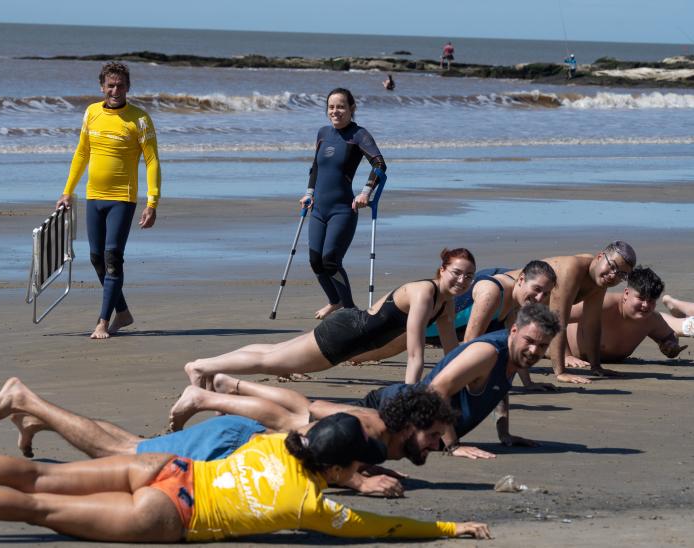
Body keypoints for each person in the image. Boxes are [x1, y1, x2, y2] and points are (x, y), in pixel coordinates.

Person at [0, 414, 492, 541]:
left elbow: (287, 414)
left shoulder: (276, 443)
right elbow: (377, 529)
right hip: (172, 516)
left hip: (170, 468)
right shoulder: (313, 507)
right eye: (355, 464)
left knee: (37, 478)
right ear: (332, 470)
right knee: (36, 514)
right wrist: (445, 526)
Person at [0, 377, 457, 498]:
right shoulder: (364, 430)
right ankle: (27, 400)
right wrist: (357, 483)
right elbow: (308, 440)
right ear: (411, 424)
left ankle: (38, 420)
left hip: (235, 440)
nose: (438, 446)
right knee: (119, 453)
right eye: (434, 436)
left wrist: (369, 471)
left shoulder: (377, 433)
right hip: (229, 446)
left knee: (136, 444)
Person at [185, 248, 476, 387]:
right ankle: (201, 367)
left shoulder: (445, 305)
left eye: (469, 276)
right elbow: (415, 354)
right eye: (457, 272)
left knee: (273, 353)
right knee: (271, 361)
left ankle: (211, 368)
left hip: (350, 331)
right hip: (345, 337)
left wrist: (470, 377)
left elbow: (452, 353)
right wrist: (410, 395)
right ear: (442, 270)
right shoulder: (424, 294)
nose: (462, 280)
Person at [313, 303, 562, 460]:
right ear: (515, 331)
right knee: (317, 432)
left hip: (417, 430)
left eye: (542, 345)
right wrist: (453, 446)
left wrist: (504, 433)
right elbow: (436, 390)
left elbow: (500, 386)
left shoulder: (514, 357)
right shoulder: (488, 352)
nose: (534, 349)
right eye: (530, 340)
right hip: (394, 410)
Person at [57, 62, 162, 339]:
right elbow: (82, 153)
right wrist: (68, 190)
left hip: (122, 198)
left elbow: (152, 161)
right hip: (94, 196)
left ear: (129, 87)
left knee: (113, 257)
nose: (115, 90)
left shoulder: (139, 119)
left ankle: (103, 322)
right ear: (102, 86)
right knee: (96, 258)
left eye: (121, 85)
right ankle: (123, 313)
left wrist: (152, 202)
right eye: (110, 85)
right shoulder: (91, 112)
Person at [352, 260, 557, 364]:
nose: (540, 299)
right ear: (521, 279)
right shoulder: (492, 292)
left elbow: (513, 344)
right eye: (537, 289)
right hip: (412, 317)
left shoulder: (517, 300)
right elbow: (470, 341)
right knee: (358, 348)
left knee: (371, 350)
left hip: (434, 328)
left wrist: (527, 382)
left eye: (546, 294)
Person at [302, 88, 387, 319]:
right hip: (318, 208)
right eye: (331, 107)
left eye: (340, 106)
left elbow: (379, 164)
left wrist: (365, 192)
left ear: (352, 109)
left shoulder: (359, 135)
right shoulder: (322, 133)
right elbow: (316, 166)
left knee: (330, 260)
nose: (335, 111)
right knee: (315, 260)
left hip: (343, 209)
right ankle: (335, 301)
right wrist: (309, 193)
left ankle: (349, 310)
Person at [536, 241, 636, 384]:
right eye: (612, 266)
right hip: (502, 296)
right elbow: (556, 321)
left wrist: (596, 367)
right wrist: (561, 372)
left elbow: (592, 324)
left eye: (621, 274)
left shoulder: (599, 279)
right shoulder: (572, 268)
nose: (613, 275)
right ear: (600, 256)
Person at [566, 267, 687, 364]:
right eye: (641, 298)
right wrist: (565, 355)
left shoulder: (651, 319)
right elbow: (555, 319)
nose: (646, 305)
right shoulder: (603, 305)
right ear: (626, 293)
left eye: (651, 301)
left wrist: (671, 347)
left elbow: (670, 336)